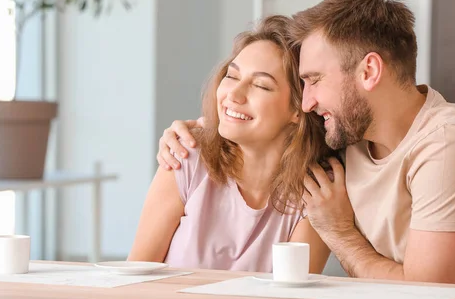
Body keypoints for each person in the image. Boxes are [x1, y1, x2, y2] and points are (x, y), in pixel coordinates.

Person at [156, 0, 455, 288]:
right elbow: (267, 130)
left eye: (315, 80)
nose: (307, 103)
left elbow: (430, 291)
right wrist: (193, 132)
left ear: (369, 71)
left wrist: (339, 231)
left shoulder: (448, 142)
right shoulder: (348, 138)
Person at [129, 15, 331, 273]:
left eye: (260, 85)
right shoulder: (185, 158)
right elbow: (134, 276)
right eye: (232, 76)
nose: (232, 95)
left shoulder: (315, 194)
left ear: (297, 108)